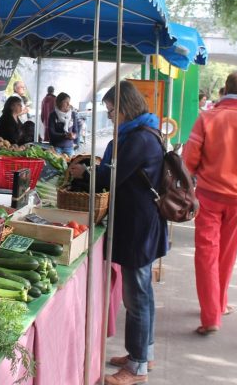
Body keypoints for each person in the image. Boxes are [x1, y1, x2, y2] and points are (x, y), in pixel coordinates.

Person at [69, 81, 166, 385]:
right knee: (143, 294)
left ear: (124, 108)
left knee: (136, 297)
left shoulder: (138, 139)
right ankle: (143, 352)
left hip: (139, 227)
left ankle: (136, 367)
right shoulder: (143, 132)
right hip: (142, 223)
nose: (109, 116)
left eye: (111, 110)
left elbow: (111, 177)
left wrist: (84, 174)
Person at [182, 70, 237, 335]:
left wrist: (193, 182)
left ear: (223, 90)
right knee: (227, 253)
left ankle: (211, 316)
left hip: (208, 195)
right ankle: (219, 304)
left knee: (207, 254)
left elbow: (189, 160)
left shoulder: (206, 118)